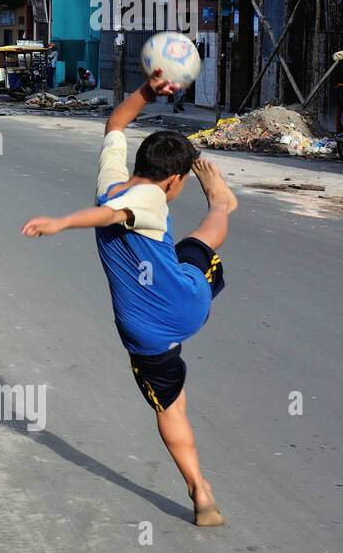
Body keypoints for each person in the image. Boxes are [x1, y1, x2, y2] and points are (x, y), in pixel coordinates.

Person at [21, 70, 237, 527]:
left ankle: (201, 494)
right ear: (175, 180)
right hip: (186, 302)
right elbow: (114, 214)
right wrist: (62, 222)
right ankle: (221, 201)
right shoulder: (152, 198)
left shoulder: (112, 178)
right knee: (203, 239)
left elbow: (115, 125)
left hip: (144, 333)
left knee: (170, 408)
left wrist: (145, 91)